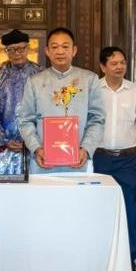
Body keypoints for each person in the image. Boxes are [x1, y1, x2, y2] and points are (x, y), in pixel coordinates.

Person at [94, 46, 136, 269]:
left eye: (122, 62)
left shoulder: (135, 91)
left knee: (133, 206)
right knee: (100, 206)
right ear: (103, 67)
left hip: (128, 159)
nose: (120, 67)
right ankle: (103, 253)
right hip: (100, 157)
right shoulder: (94, 89)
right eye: (114, 63)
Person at [17, 27, 105, 174]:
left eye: (65, 46)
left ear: (74, 50)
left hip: (78, 160)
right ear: (47, 51)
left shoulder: (89, 80)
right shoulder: (35, 82)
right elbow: (25, 120)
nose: (60, 51)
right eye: (55, 47)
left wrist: (86, 149)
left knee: (78, 197)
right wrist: (36, 148)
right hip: (43, 162)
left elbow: (97, 119)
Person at [0, 30, 42, 175]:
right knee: (2, 191)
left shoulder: (40, 75)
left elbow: (45, 111)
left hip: (35, 146)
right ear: (6, 51)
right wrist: (4, 140)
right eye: (11, 49)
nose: (16, 53)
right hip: (4, 147)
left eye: (20, 48)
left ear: (28, 48)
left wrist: (32, 140)